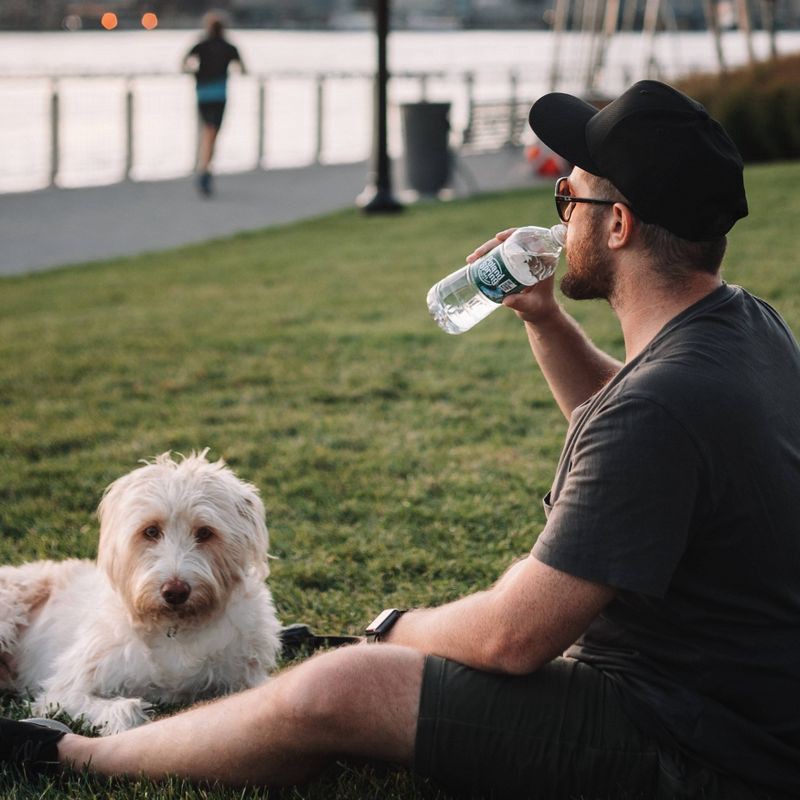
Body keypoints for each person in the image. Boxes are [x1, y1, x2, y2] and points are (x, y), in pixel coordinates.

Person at [2, 80, 799, 799]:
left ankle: (74, 753)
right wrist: (546, 319)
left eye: (570, 195)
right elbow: (635, 428)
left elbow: (511, 637)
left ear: (617, 224)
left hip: (690, 743)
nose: (558, 211)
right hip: (739, 707)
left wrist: (396, 627)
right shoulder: (743, 326)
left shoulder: (661, 404)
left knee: (342, 687)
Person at [182, 11, 245, 197]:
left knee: (208, 132)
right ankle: (205, 171)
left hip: (203, 94)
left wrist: (195, 74)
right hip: (219, 95)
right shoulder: (229, 47)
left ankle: (204, 170)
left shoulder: (201, 45)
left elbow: (184, 63)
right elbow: (242, 68)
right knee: (212, 133)